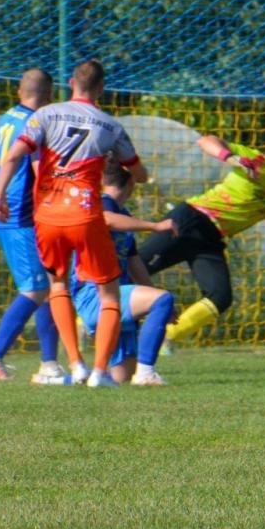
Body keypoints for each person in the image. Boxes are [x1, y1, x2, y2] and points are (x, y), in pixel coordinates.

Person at [0, 59, 147, 388]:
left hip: (46, 216)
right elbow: (138, 173)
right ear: (102, 89)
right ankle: (100, 372)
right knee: (110, 295)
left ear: (71, 82)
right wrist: (135, 171)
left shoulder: (44, 115)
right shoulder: (110, 125)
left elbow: (15, 155)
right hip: (86, 216)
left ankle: (75, 364)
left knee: (57, 287)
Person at [136, 130, 265, 346]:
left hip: (211, 238)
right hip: (191, 221)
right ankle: (109, 320)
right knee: (134, 269)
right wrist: (230, 158)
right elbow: (205, 141)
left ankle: (164, 337)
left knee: (220, 297)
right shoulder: (255, 160)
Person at [0, 68, 69, 384]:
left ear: (19, 92)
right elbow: (37, 167)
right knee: (36, 288)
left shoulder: (8, 117)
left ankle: (50, 364)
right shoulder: (35, 122)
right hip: (20, 214)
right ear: (49, 96)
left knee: (46, 283)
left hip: (12, 210)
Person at [71, 162, 176, 386]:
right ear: (130, 181)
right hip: (95, 294)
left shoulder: (124, 214)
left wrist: (158, 303)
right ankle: (146, 373)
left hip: (118, 295)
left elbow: (134, 262)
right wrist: (155, 226)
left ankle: (79, 381)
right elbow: (106, 220)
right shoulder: (100, 204)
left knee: (119, 378)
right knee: (163, 298)